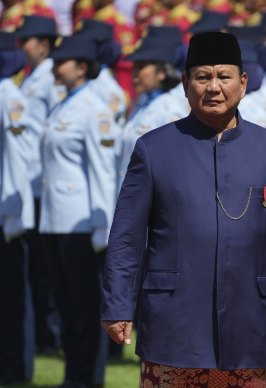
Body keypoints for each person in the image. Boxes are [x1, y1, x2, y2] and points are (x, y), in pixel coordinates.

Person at [101, 31, 266, 387]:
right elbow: (126, 236)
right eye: (202, 77)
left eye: (224, 77)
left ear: (243, 82)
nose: (213, 87)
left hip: (255, 323)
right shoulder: (153, 149)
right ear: (186, 84)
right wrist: (117, 306)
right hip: (176, 323)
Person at [40, 36, 120, 388]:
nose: (56, 67)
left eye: (63, 61)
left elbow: (103, 171)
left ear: (82, 67)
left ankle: (89, 378)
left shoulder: (94, 109)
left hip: (83, 222)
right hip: (56, 220)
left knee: (86, 308)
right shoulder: (63, 105)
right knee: (67, 305)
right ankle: (73, 375)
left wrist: (102, 227)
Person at [15, 13, 64, 356]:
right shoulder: (31, 77)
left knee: (46, 266)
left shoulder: (50, 78)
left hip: (42, 182)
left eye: (26, 40)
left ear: (44, 45)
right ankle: (44, 334)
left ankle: (51, 334)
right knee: (35, 265)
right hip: (28, 179)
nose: (21, 46)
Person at [0, 30, 40, 386]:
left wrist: (13, 214)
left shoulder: (8, 96)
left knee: (13, 293)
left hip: (7, 210)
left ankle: (16, 367)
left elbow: (17, 159)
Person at [117, 35, 187, 186]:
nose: (134, 73)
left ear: (161, 72)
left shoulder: (169, 111)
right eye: (134, 66)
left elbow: (174, 170)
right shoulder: (141, 104)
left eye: (141, 66)